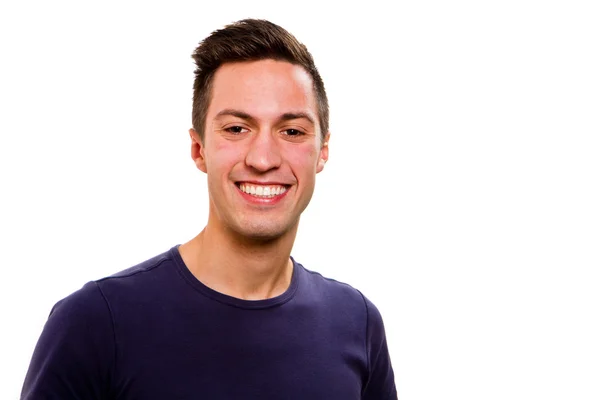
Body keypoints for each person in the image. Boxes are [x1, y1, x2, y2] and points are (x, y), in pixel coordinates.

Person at [21, 18, 397, 399]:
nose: (263, 158)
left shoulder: (356, 322)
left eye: (292, 131)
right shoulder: (97, 322)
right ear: (199, 149)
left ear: (323, 151)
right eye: (237, 129)